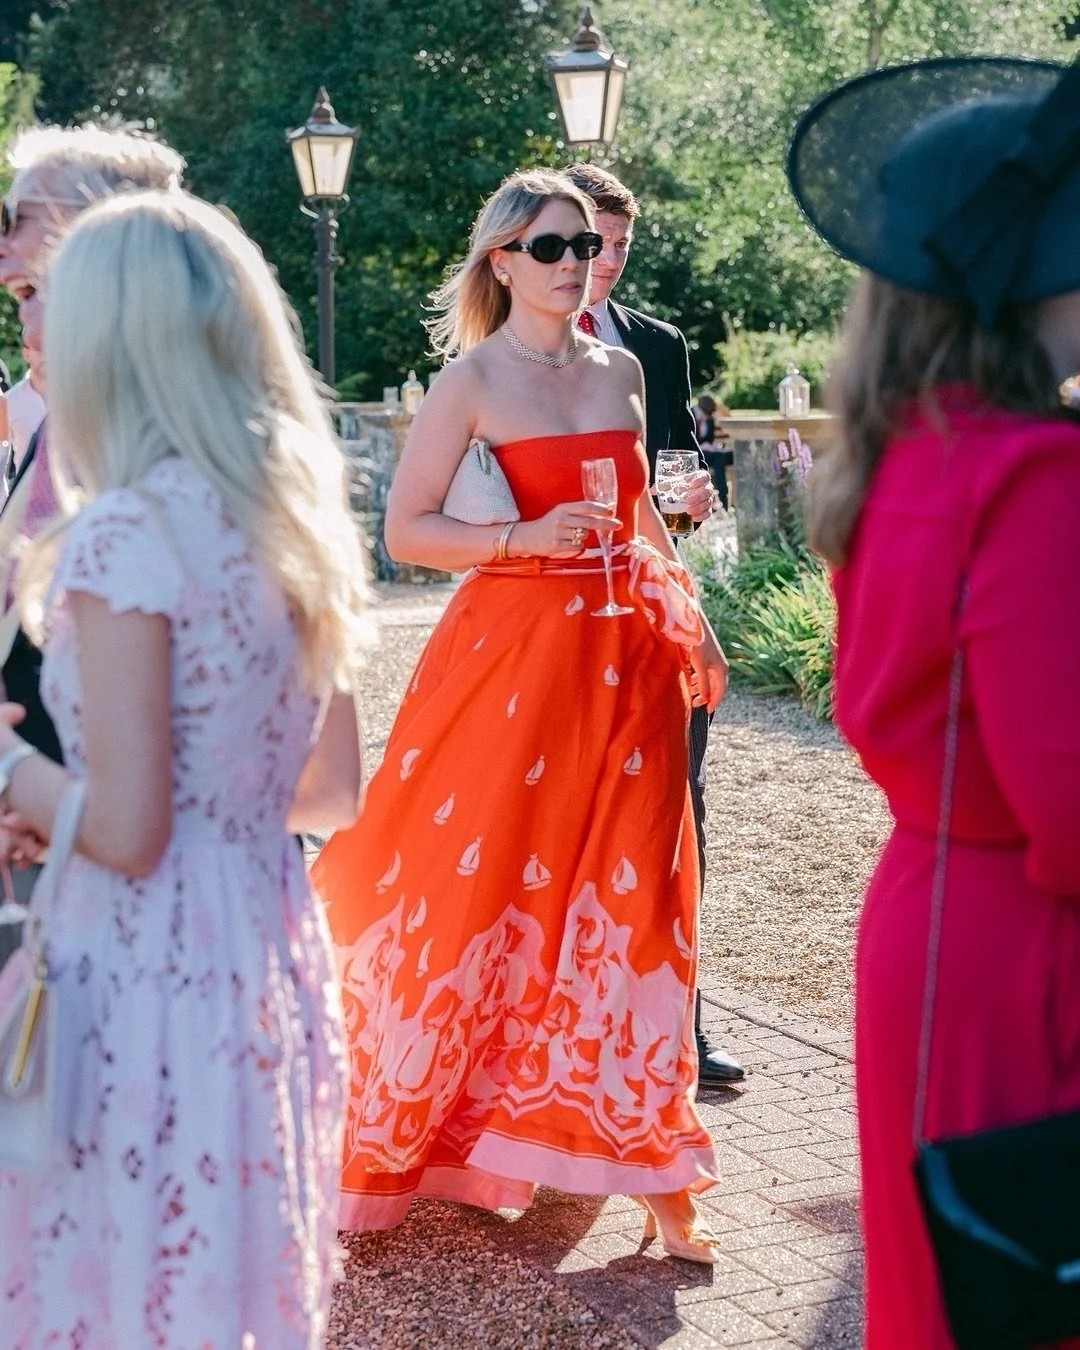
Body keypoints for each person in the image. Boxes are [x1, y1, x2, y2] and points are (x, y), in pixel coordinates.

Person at [312, 168, 728, 1259]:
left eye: (585, 245)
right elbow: (405, 532)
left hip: (627, 658)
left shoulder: (623, 370)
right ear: (501, 260)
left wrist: (700, 627)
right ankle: (438, 1124)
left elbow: (640, 515)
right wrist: (514, 542)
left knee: (633, 890)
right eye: (549, 247)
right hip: (511, 660)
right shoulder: (472, 380)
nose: (574, 262)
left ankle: (646, 1153)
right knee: (477, 878)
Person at [0, 188, 370, 1346]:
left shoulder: (122, 534)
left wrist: (13, 769)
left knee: (115, 1285)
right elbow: (327, 792)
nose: (34, 335)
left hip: (142, 970)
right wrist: (71, 812)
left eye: (51, 307)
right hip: (262, 945)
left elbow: (129, 830)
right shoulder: (286, 521)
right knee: (219, 1285)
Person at [787, 56, 1080, 1348]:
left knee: (953, 1303)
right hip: (1034, 955)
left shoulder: (910, 450)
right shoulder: (1034, 473)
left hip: (933, 927)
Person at [565, 162, 744, 1087]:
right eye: (594, 242)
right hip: (555, 614)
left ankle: (684, 1025)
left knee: (681, 811)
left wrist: (690, 504)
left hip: (652, 605)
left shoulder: (660, 344)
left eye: (623, 246)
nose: (607, 262)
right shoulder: (506, 342)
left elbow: (667, 480)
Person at [692, 391, 734, 510]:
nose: (706, 417)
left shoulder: (709, 418)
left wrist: (711, 445)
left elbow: (709, 439)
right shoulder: (690, 414)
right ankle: (723, 499)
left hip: (710, 452)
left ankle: (727, 499)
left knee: (728, 455)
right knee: (719, 458)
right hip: (696, 453)